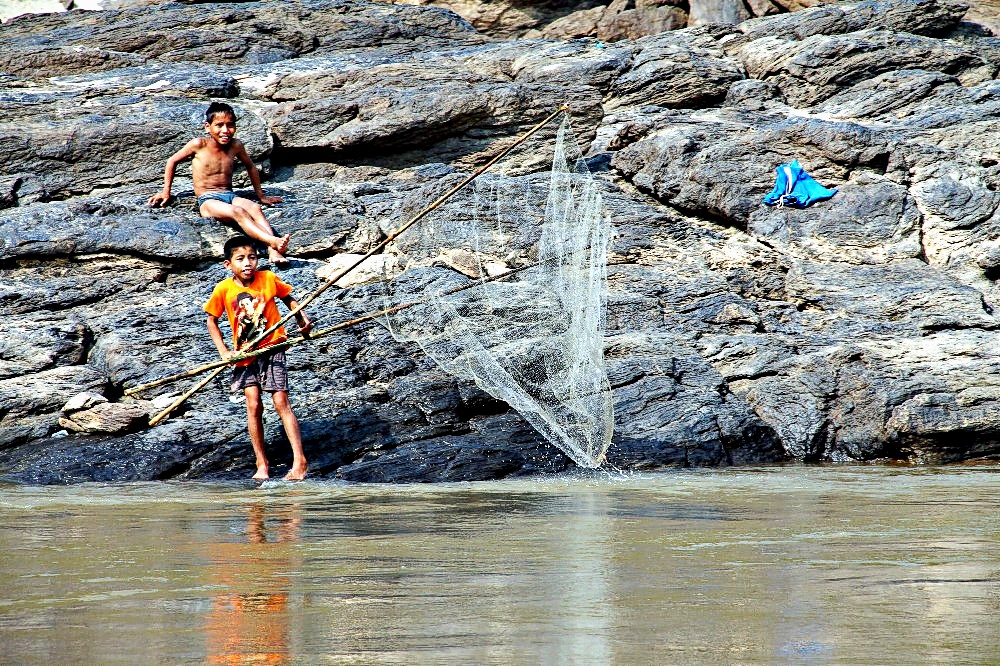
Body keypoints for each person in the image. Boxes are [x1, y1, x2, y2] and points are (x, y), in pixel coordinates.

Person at [204, 235, 313, 481]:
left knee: (280, 402)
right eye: (240, 259)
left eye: (252, 257)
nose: (247, 264)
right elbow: (211, 320)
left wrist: (301, 320)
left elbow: (288, 298)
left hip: (272, 347)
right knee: (253, 405)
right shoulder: (224, 289)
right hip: (244, 355)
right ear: (228, 265)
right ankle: (261, 463)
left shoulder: (268, 278)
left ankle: (300, 462)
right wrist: (224, 352)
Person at [149, 101, 292, 265]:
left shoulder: (236, 145)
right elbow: (172, 161)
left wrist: (261, 195)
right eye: (219, 125)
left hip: (229, 195)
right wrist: (166, 191)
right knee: (239, 212)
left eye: (230, 125)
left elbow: (251, 167)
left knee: (255, 208)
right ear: (207, 127)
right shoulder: (198, 144)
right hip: (208, 200)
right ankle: (272, 242)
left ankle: (274, 252)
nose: (225, 130)